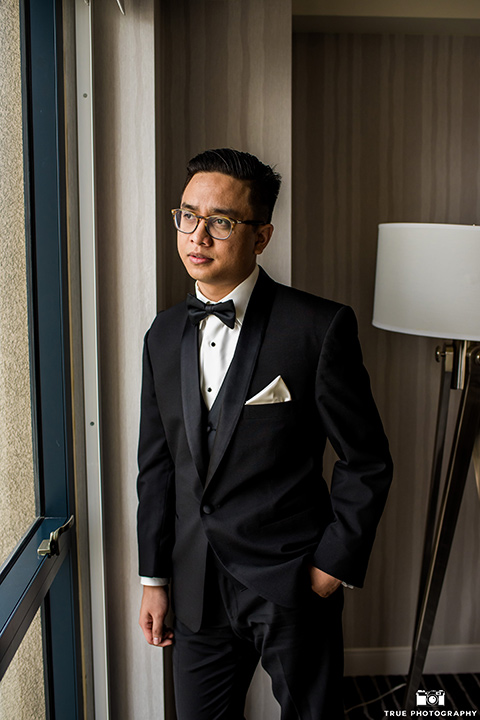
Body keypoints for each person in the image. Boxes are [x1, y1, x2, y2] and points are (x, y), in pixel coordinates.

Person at [137, 148, 393, 719]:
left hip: (292, 580)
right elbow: (157, 466)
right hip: (194, 586)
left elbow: (367, 459)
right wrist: (154, 576)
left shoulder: (318, 327)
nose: (197, 236)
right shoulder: (161, 335)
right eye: (187, 215)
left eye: (221, 222)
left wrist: (330, 567)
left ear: (261, 236)